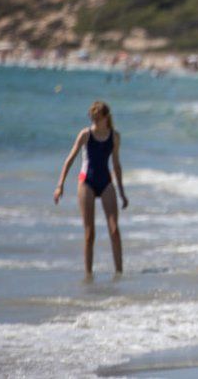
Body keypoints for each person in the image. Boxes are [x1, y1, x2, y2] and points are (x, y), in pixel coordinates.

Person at [53, 101, 128, 275]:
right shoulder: (85, 135)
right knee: (89, 233)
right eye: (92, 119)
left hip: (106, 182)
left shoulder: (114, 136)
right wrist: (60, 185)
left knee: (114, 229)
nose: (94, 122)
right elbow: (70, 159)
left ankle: (119, 272)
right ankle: (88, 275)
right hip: (86, 182)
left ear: (105, 118)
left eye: (97, 119)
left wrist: (122, 193)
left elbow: (116, 165)